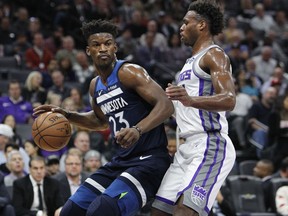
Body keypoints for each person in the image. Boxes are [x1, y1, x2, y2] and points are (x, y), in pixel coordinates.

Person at [33, 19, 174, 216]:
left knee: (102, 211)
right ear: (88, 51)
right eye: (96, 45)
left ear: (115, 47)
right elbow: (100, 121)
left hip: (150, 160)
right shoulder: (95, 86)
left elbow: (166, 105)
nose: (103, 49)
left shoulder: (129, 72)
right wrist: (67, 115)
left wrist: (137, 129)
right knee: (70, 211)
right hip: (122, 161)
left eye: (107, 43)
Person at [151, 1, 236, 216]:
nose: (181, 27)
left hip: (210, 143)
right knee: (159, 211)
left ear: (201, 25)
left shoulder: (214, 55)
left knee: (185, 212)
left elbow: (229, 99)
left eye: (185, 22)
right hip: (187, 146)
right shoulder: (188, 64)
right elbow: (184, 106)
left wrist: (190, 100)